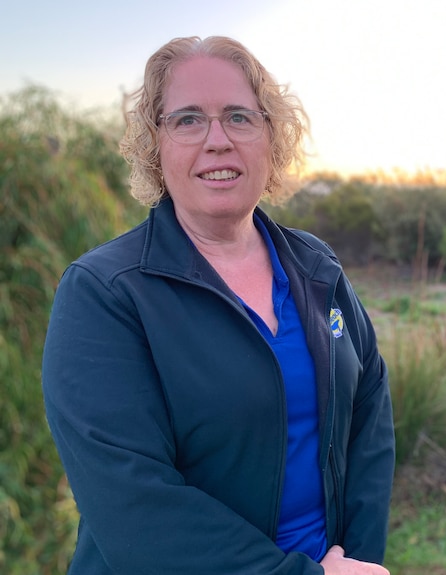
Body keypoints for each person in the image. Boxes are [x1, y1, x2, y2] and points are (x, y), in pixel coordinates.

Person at [42, 36, 394, 575]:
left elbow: (369, 405)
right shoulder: (104, 292)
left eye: (239, 117)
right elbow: (134, 505)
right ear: (154, 145)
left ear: (271, 138)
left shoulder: (315, 265)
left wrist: (360, 560)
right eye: (187, 120)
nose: (217, 140)